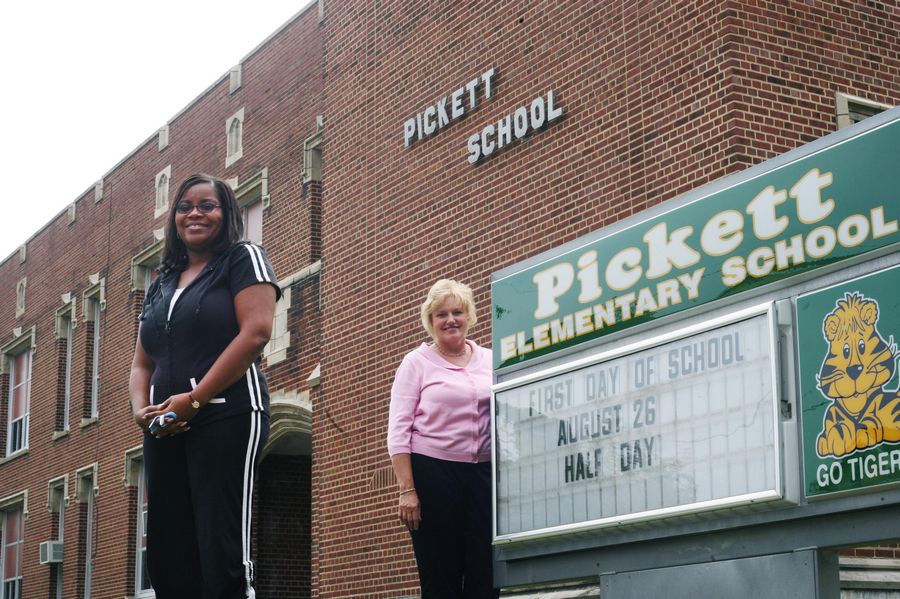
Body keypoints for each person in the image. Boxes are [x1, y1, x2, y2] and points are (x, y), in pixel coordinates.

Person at [129, 173, 280, 599]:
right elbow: (142, 362)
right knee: (168, 553)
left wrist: (194, 400)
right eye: (185, 207)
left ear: (226, 212)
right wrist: (142, 411)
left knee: (221, 547)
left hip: (226, 414)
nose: (195, 213)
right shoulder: (161, 281)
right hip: (164, 426)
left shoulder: (242, 257)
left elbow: (256, 333)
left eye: (207, 205)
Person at [387, 279, 499, 599]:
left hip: (483, 475)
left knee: (486, 573)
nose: (450, 319)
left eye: (457, 312)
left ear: (469, 316)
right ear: (430, 321)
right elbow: (398, 431)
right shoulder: (416, 363)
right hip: (434, 473)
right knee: (441, 575)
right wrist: (407, 489)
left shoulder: (490, 359)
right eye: (441, 314)